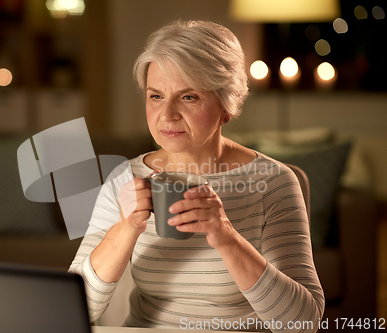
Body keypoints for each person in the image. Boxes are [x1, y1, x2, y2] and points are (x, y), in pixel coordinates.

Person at [69, 20, 324, 332]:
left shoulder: (273, 182)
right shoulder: (127, 177)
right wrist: (126, 228)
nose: (167, 114)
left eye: (189, 97)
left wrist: (226, 238)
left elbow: (304, 323)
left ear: (226, 106)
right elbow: (73, 308)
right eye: (156, 96)